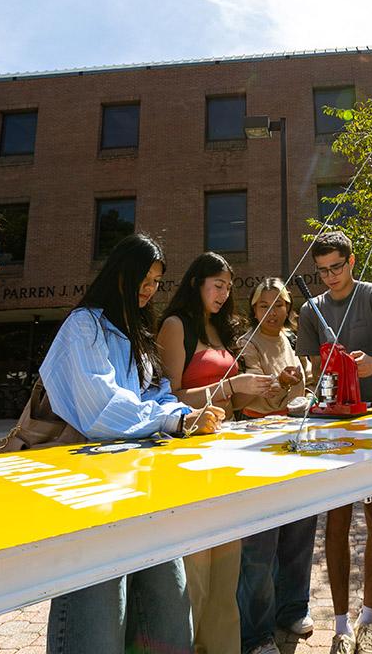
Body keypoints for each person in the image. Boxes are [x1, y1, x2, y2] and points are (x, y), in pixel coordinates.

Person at [40, 234, 223, 654]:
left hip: (142, 488)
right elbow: (98, 407)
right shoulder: (83, 324)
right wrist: (174, 418)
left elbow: (156, 393)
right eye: (143, 276)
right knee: (98, 621)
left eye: (157, 281)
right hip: (87, 493)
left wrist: (183, 414)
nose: (149, 288)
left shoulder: (137, 332)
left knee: (169, 616)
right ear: (119, 271)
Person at [296, 231, 372, 654]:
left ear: (351, 261)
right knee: (335, 521)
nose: (330, 277)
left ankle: (369, 619)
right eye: (322, 271)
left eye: (336, 267)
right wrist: (303, 378)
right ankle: (342, 625)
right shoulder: (310, 310)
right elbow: (312, 371)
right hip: (332, 426)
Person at [157, 252, 273, 654]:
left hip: (227, 457)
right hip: (187, 463)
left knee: (226, 574)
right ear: (196, 283)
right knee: (195, 574)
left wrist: (256, 387)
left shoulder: (222, 329)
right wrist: (229, 386)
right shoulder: (175, 326)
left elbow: (229, 392)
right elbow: (168, 400)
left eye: (228, 287)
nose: (224, 294)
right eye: (217, 285)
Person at [236, 278, 317, 654]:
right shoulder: (246, 343)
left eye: (279, 304)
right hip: (259, 443)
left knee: (301, 527)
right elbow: (257, 395)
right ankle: (256, 633)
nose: (273, 312)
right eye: (264, 305)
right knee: (261, 542)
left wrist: (305, 380)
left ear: (288, 307)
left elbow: (301, 391)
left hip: (295, 439)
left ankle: (293, 609)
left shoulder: (292, 340)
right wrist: (283, 384)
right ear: (253, 309)